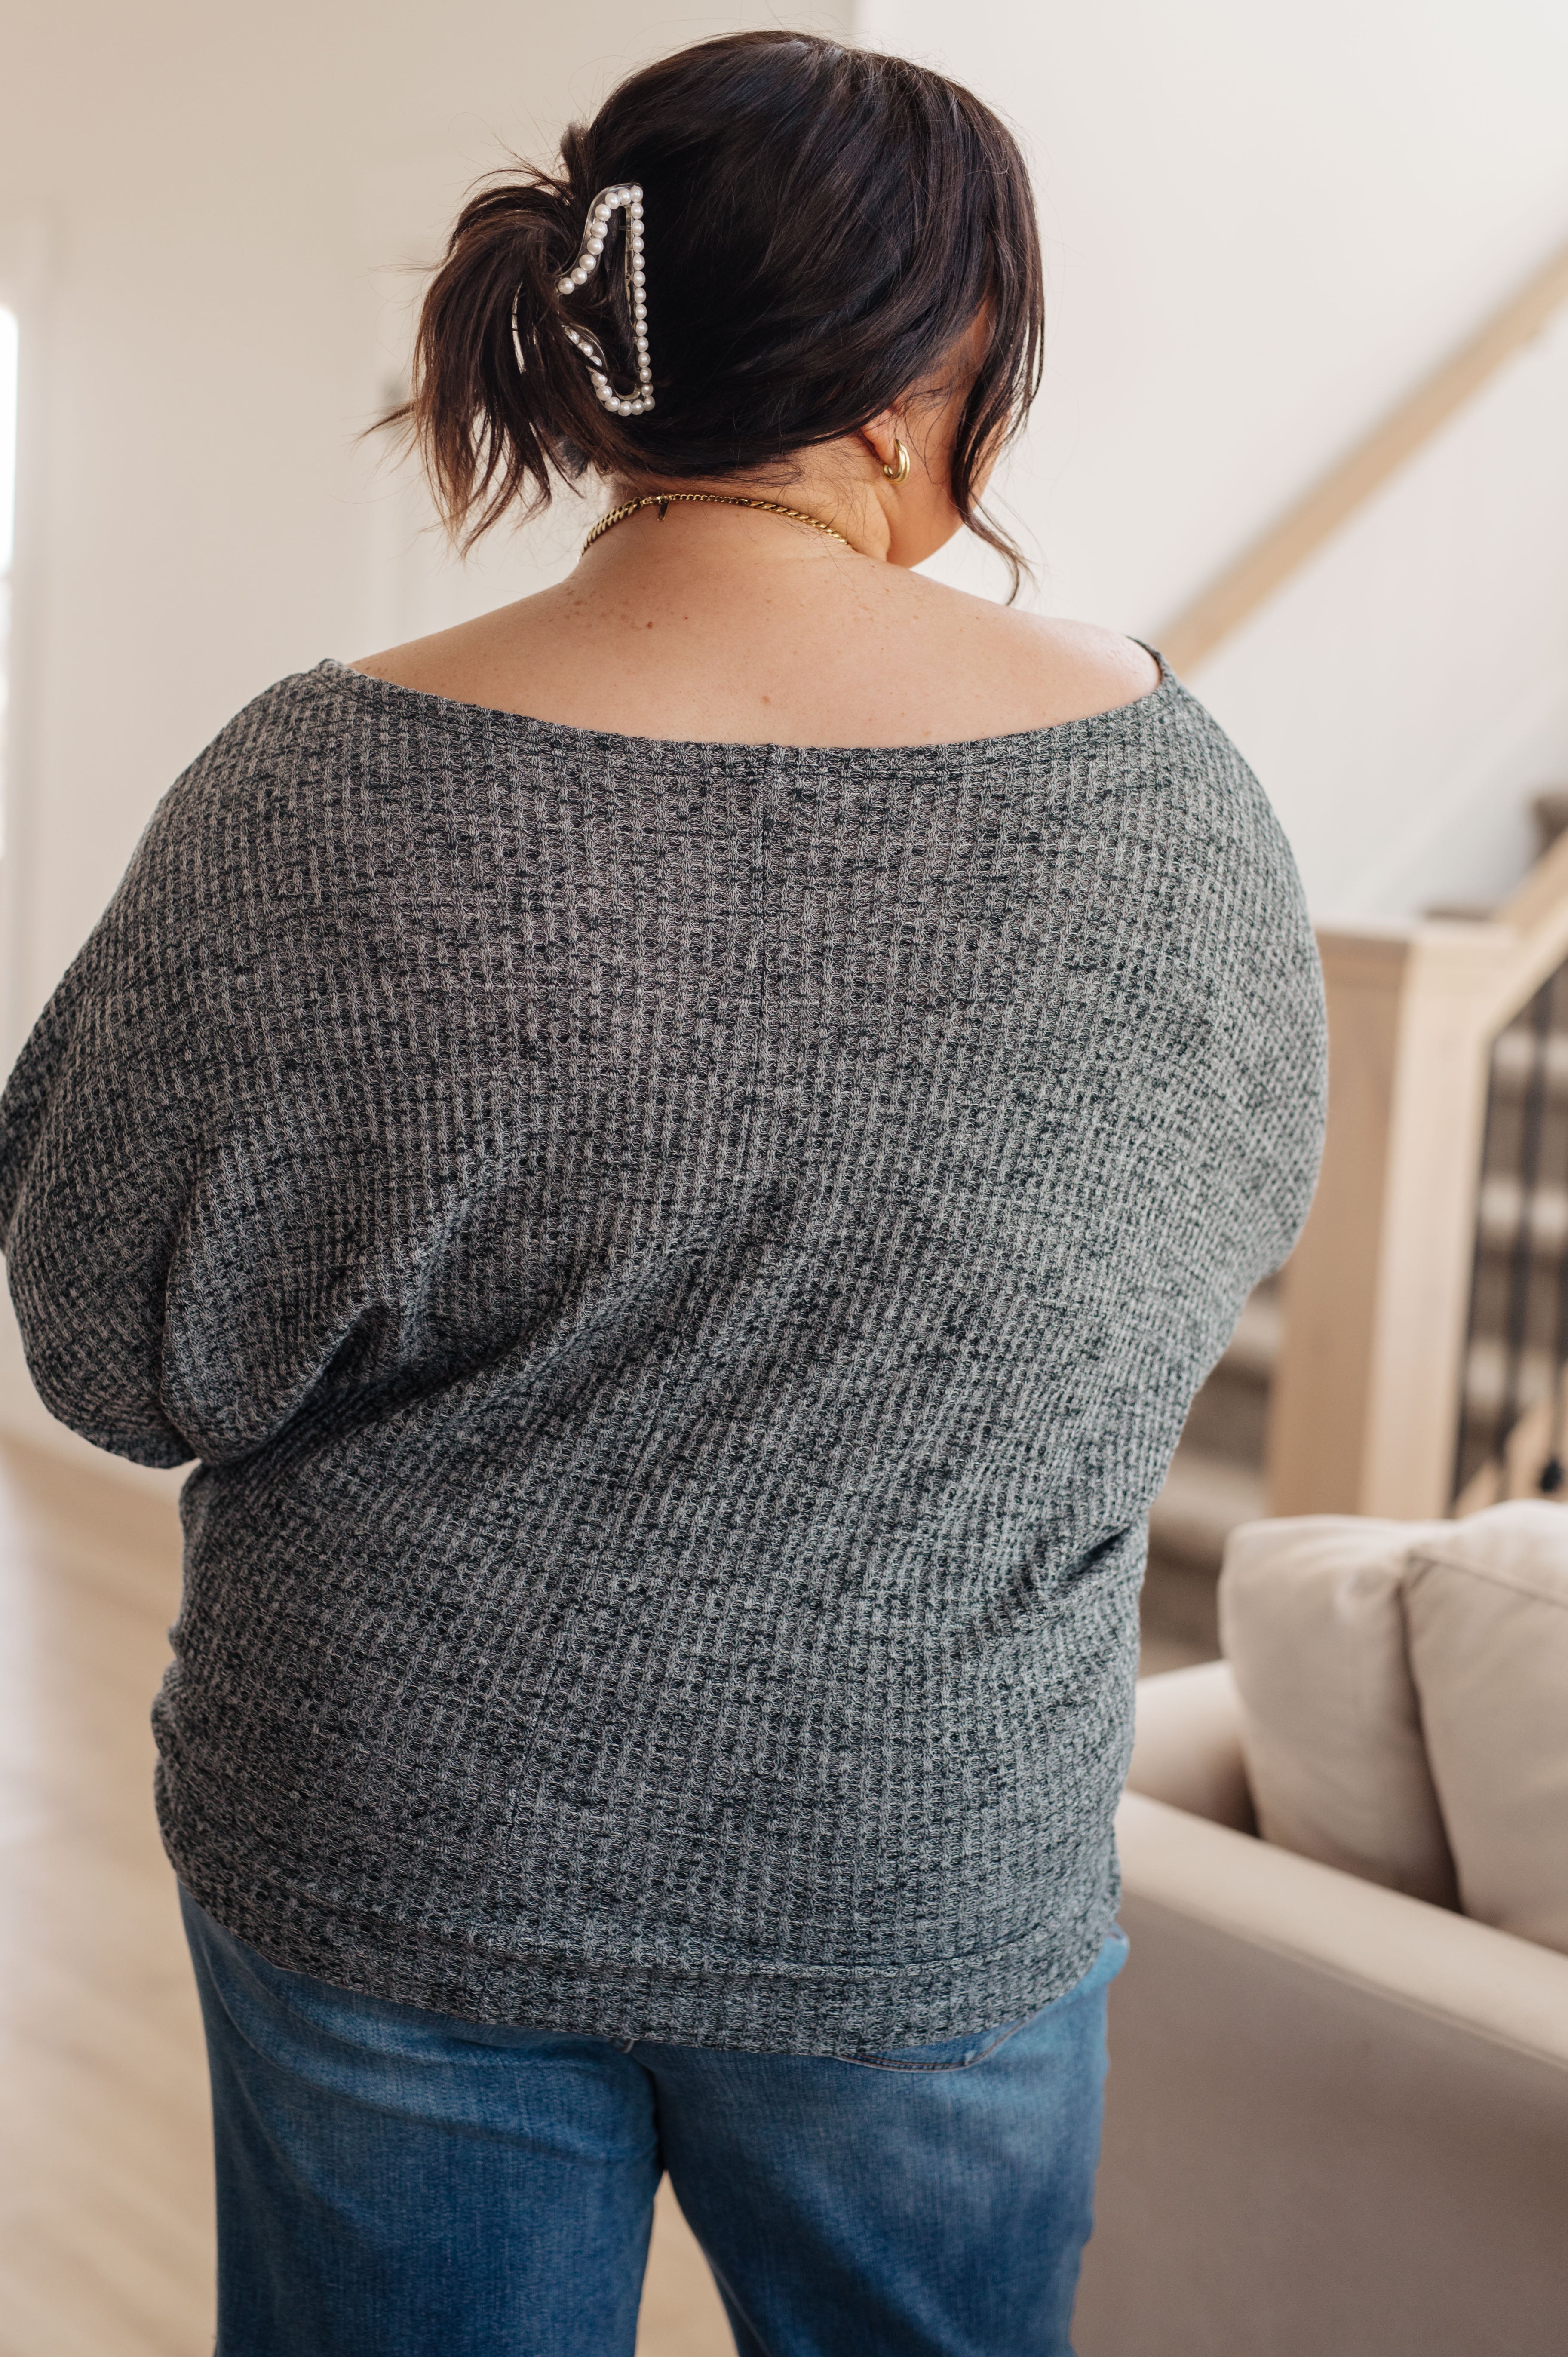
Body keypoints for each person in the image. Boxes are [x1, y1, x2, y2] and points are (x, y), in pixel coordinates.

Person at [0, 29, 1325, 2357]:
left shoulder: (314, 784)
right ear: (944, 369)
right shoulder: (1163, 804)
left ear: (602, 358)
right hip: (915, 1858)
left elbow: (109, 1340)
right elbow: (1215, 1233)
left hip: (386, 1841)